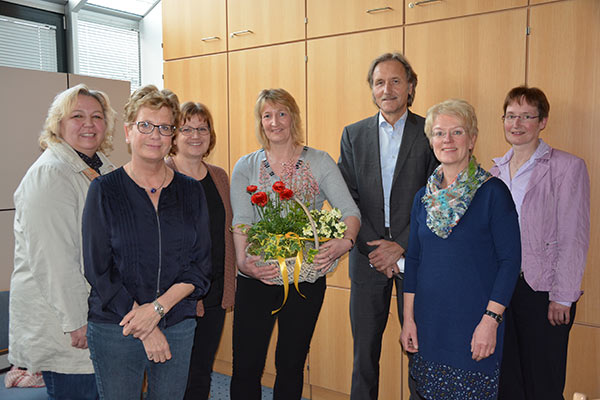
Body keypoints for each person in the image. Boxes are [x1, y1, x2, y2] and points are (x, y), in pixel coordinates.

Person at [82, 85, 212, 400]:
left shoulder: (191, 191)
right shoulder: (104, 190)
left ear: (172, 137)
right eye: (145, 125)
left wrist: (157, 310)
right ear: (128, 132)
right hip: (117, 325)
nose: (155, 135)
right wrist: (146, 323)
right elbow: (98, 269)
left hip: (177, 323)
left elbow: (201, 267)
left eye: (165, 127)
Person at [229, 88, 360, 400]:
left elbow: (350, 211)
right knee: (246, 365)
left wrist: (345, 242)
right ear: (260, 122)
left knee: (290, 364)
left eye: (282, 114)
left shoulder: (319, 161)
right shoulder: (245, 166)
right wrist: (243, 263)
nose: (275, 122)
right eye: (267, 115)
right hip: (256, 278)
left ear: (293, 117)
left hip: (304, 279)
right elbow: (242, 221)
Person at [400, 99, 521, 399]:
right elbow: (413, 261)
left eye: (457, 132)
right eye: (439, 133)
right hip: (429, 325)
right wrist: (408, 320)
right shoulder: (423, 198)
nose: (447, 140)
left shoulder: (493, 193)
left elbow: (510, 261)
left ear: (472, 139)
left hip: (474, 325)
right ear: (431, 141)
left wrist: (490, 322)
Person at [337, 52, 438, 400]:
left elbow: (435, 198)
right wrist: (376, 248)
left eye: (396, 81)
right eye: (380, 82)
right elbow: (345, 198)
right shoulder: (353, 135)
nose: (388, 89)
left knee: (418, 350)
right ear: (372, 89)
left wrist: (402, 246)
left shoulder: (430, 133)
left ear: (410, 87)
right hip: (367, 261)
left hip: (417, 259)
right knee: (364, 355)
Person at [9, 84, 116, 399]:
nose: (89, 124)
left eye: (97, 116)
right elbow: (54, 259)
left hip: (95, 312)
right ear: (58, 124)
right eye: (77, 116)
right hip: (68, 322)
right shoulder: (51, 174)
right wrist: (75, 320)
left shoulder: (98, 168)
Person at [492, 86, 590, 400]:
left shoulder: (567, 167)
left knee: (542, 385)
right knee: (507, 383)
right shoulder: (493, 172)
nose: (516, 124)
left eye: (527, 116)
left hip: (544, 292)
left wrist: (563, 296)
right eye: (510, 116)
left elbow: (574, 237)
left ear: (542, 121)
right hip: (502, 291)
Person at [164, 101, 236, 400]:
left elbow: (228, 231)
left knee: (201, 370)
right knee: (171, 372)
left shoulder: (219, 176)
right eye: (187, 128)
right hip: (173, 295)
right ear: (173, 136)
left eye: (202, 128)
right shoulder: (162, 174)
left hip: (215, 292)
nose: (195, 135)